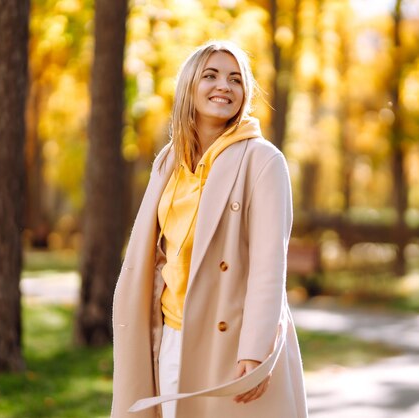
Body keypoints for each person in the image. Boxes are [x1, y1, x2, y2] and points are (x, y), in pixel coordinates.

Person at [111, 40, 308, 418]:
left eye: (236, 79)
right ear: (190, 86)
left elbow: (269, 268)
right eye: (211, 75)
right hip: (171, 336)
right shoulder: (169, 161)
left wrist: (255, 351)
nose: (225, 86)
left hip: (230, 343)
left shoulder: (263, 161)